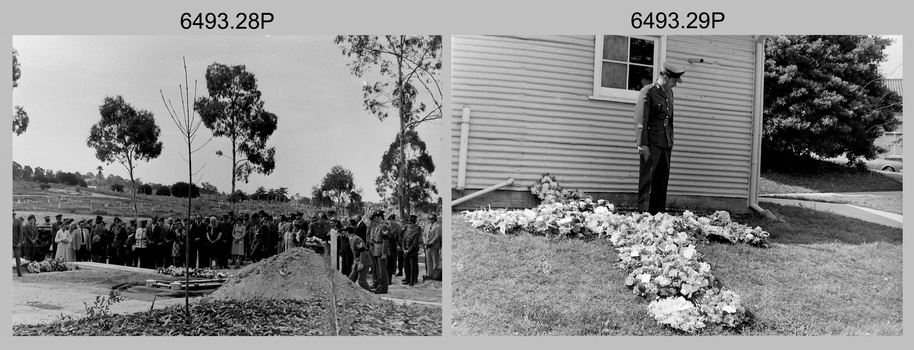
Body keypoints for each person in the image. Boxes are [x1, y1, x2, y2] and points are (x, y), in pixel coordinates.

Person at [633, 61, 686, 214]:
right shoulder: (648, 92)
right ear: (664, 76)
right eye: (674, 81)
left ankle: (658, 215)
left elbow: (669, 120)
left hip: (665, 143)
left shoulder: (669, 93)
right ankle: (644, 215)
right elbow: (640, 119)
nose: (675, 84)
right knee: (647, 181)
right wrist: (642, 144)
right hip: (651, 144)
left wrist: (671, 140)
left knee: (662, 181)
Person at [368, 211, 390, 294]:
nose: (374, 219)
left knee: (382, 271)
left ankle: (384, 288)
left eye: (375, 217)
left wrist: (384, 252)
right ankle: (379, 286)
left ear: (379, 217)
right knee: (378, 270)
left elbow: (385, 240)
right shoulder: (378, 226)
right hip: (376, 250)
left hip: (381, 251)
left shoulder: (384, 226)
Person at [346, 226, 371, 291]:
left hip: (364, 260)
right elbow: (355, 253)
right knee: (351, 279)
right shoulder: (351, 239)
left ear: (347, 232)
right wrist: (354, 263)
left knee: (361, 280)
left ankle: (370, 294)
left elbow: (362, 251)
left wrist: (361, 263)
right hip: (357, 260)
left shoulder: (356, 239)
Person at [402, 214, 422, 285]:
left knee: (413, 266)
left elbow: (415, 242)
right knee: (406, 266)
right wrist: (404, 249)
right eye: (409, 222)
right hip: (406, 250)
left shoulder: (417, 228)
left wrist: (409, 250)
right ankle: (407, 279)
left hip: (412, 251)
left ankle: (412, 280)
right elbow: (403, 239)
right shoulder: (406, 228)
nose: (409, 224)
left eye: (411, 223)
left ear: (414, 222)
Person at [13, 212, 24, 277]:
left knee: (17, 257)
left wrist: (20, 242)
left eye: (13, 214)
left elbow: (21, 232)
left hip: (16, 242)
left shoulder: (18, 221)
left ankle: (19, 272)